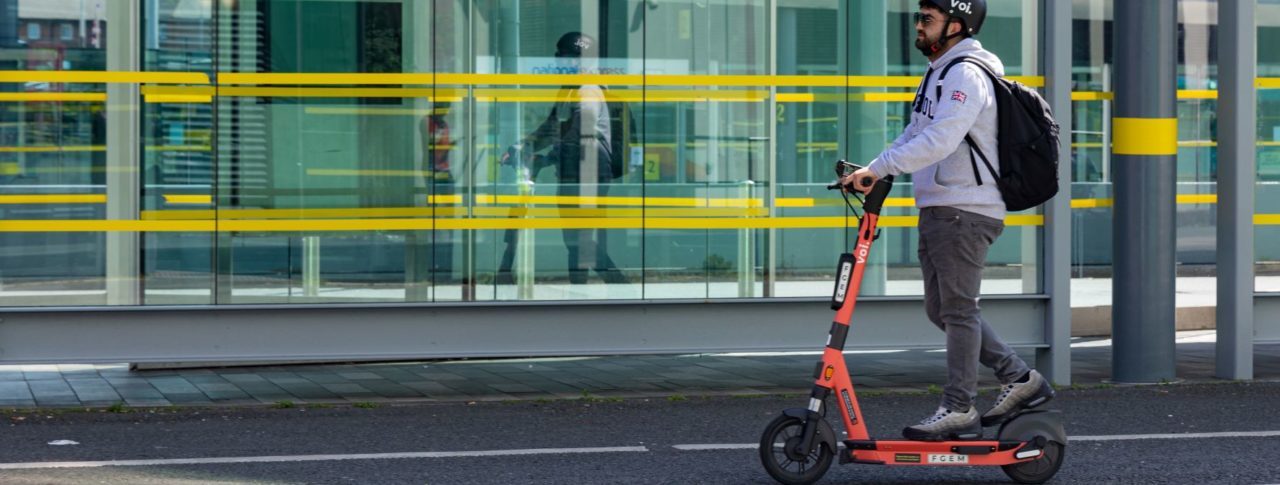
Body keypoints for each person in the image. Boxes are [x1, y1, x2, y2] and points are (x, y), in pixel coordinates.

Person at [841, 0, 1054, 441]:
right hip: (941, 206)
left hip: (965, 209)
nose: (917, 26)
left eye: (927, 20)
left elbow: (941, 139)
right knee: (942, 309)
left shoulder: (966, 74)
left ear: (956, 26)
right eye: (918, 18)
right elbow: (917, 132)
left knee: (958, 310)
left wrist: (881, 170)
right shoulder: (939, 70)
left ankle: (959, 407)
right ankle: (1019, 377)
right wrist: (873, 167)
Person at [498, 32, 628, 285]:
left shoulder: (589, 90)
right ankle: (580, 289)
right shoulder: (569, 89)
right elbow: (551, 127)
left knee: (579, 238)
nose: (560, 64)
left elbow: (579, 131)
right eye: (558, 58)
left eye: (566, 58)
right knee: (574, 238)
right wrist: (522, 146)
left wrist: (543, 158)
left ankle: (620, 286)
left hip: (590, 169)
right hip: (573, 167)